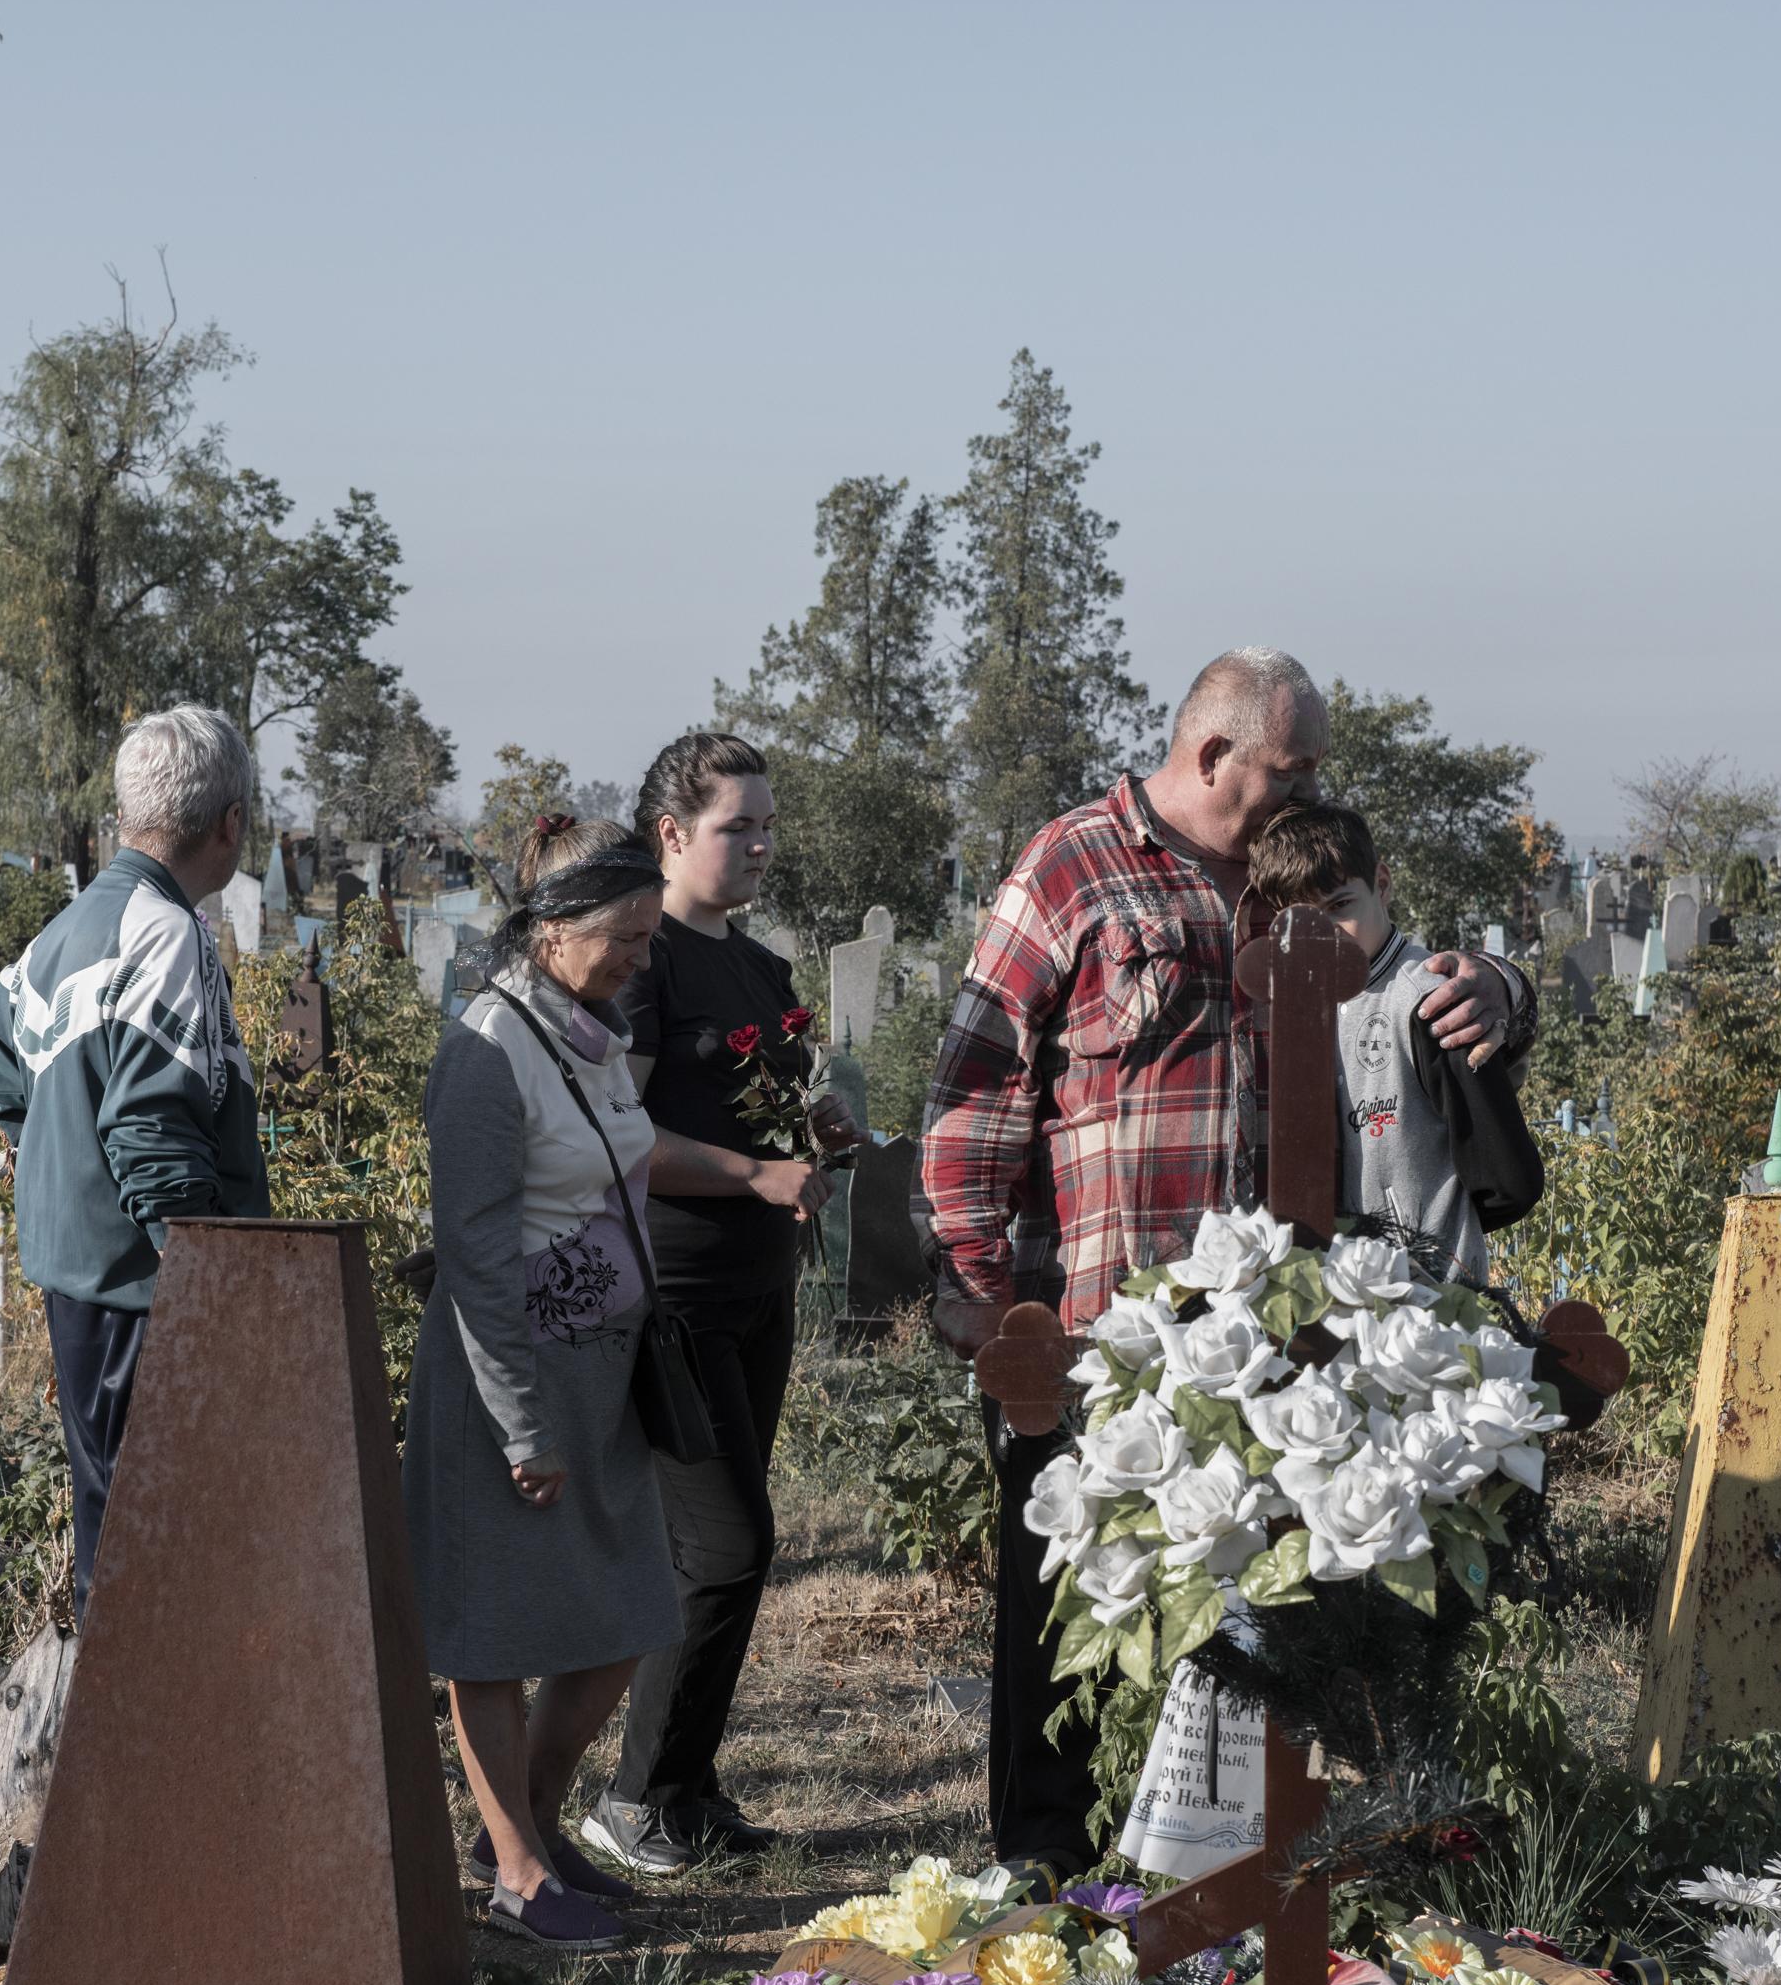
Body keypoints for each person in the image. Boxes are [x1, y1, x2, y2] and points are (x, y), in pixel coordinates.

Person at [915, 647, 1536, 1885]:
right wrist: (987, 1298)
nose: (1309, 794)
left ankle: (1244, 1879)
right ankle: (1051, 1880)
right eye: (1291, 769)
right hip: (1103, 1330)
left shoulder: (1292, 875)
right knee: (1068, 1606)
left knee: (1267, 1623)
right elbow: (978, 1089)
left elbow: (1420, 971)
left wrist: (1505, 993)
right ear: (1214, 755)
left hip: (1281, 1333)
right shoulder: (1072, 868)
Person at [404, 814, 681, 1946]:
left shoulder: (592, 1031)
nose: (639, 958)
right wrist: (522, 1425)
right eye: (623, 935)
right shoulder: (490, 1046)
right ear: (554, 929)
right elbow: (473, 1252)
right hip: (502, 1379)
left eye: (649, 937)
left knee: (627, 1611)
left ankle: (531, 1825)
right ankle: (515, 1877)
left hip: (601, 1369)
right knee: (496, 1631)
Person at [582, 732, 853, 1877]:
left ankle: (687, 1790)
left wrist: (814, 1134)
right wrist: (752, 1175)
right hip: (678, 1295)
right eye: (737, 826)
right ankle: (631, 1799)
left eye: (766, 826)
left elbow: (764, 1112)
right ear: (672, 836)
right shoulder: (647, 967)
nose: (758, 847)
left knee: (719, 1555)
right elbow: (615, 1136)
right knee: (731, 1547)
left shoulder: (763, 968)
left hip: (759, 1290)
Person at [0, 704, 269, 1623]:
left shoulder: (76, 923)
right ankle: (147, 1738)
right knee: (158, 1533)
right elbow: (151, 1132)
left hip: (81, 1272)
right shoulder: (166, 932)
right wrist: (212, 1279)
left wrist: (28, 1141)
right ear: (230, 822)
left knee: (113, 1518)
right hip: (145, 1286)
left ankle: (112, 1728)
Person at [1245, 799, 1545, 1280]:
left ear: (1381, 884)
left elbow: (1510, 1178)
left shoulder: (1432, 1002)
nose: (1329, 933)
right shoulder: (1303, 1009)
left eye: (1340, 906)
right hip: (1347, 1290)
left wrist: (1434, 1233)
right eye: (1307, 919)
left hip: (1436, 1297)